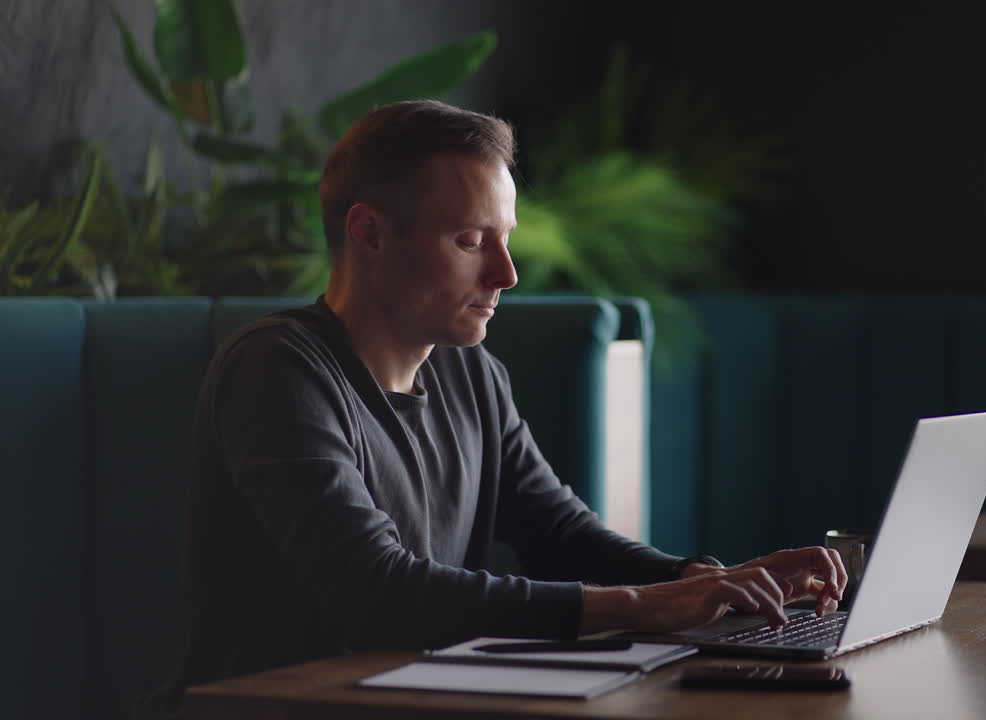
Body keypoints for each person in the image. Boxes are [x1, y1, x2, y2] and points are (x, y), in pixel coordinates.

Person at [153, 99, 846, 709]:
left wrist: (706, 579)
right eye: (470, 241)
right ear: (368, 232)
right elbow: (376, 593)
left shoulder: (471, 371)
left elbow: (560, 533)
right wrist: (650, 606)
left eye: (505, 239)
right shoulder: (278, 369)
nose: (506, 274)